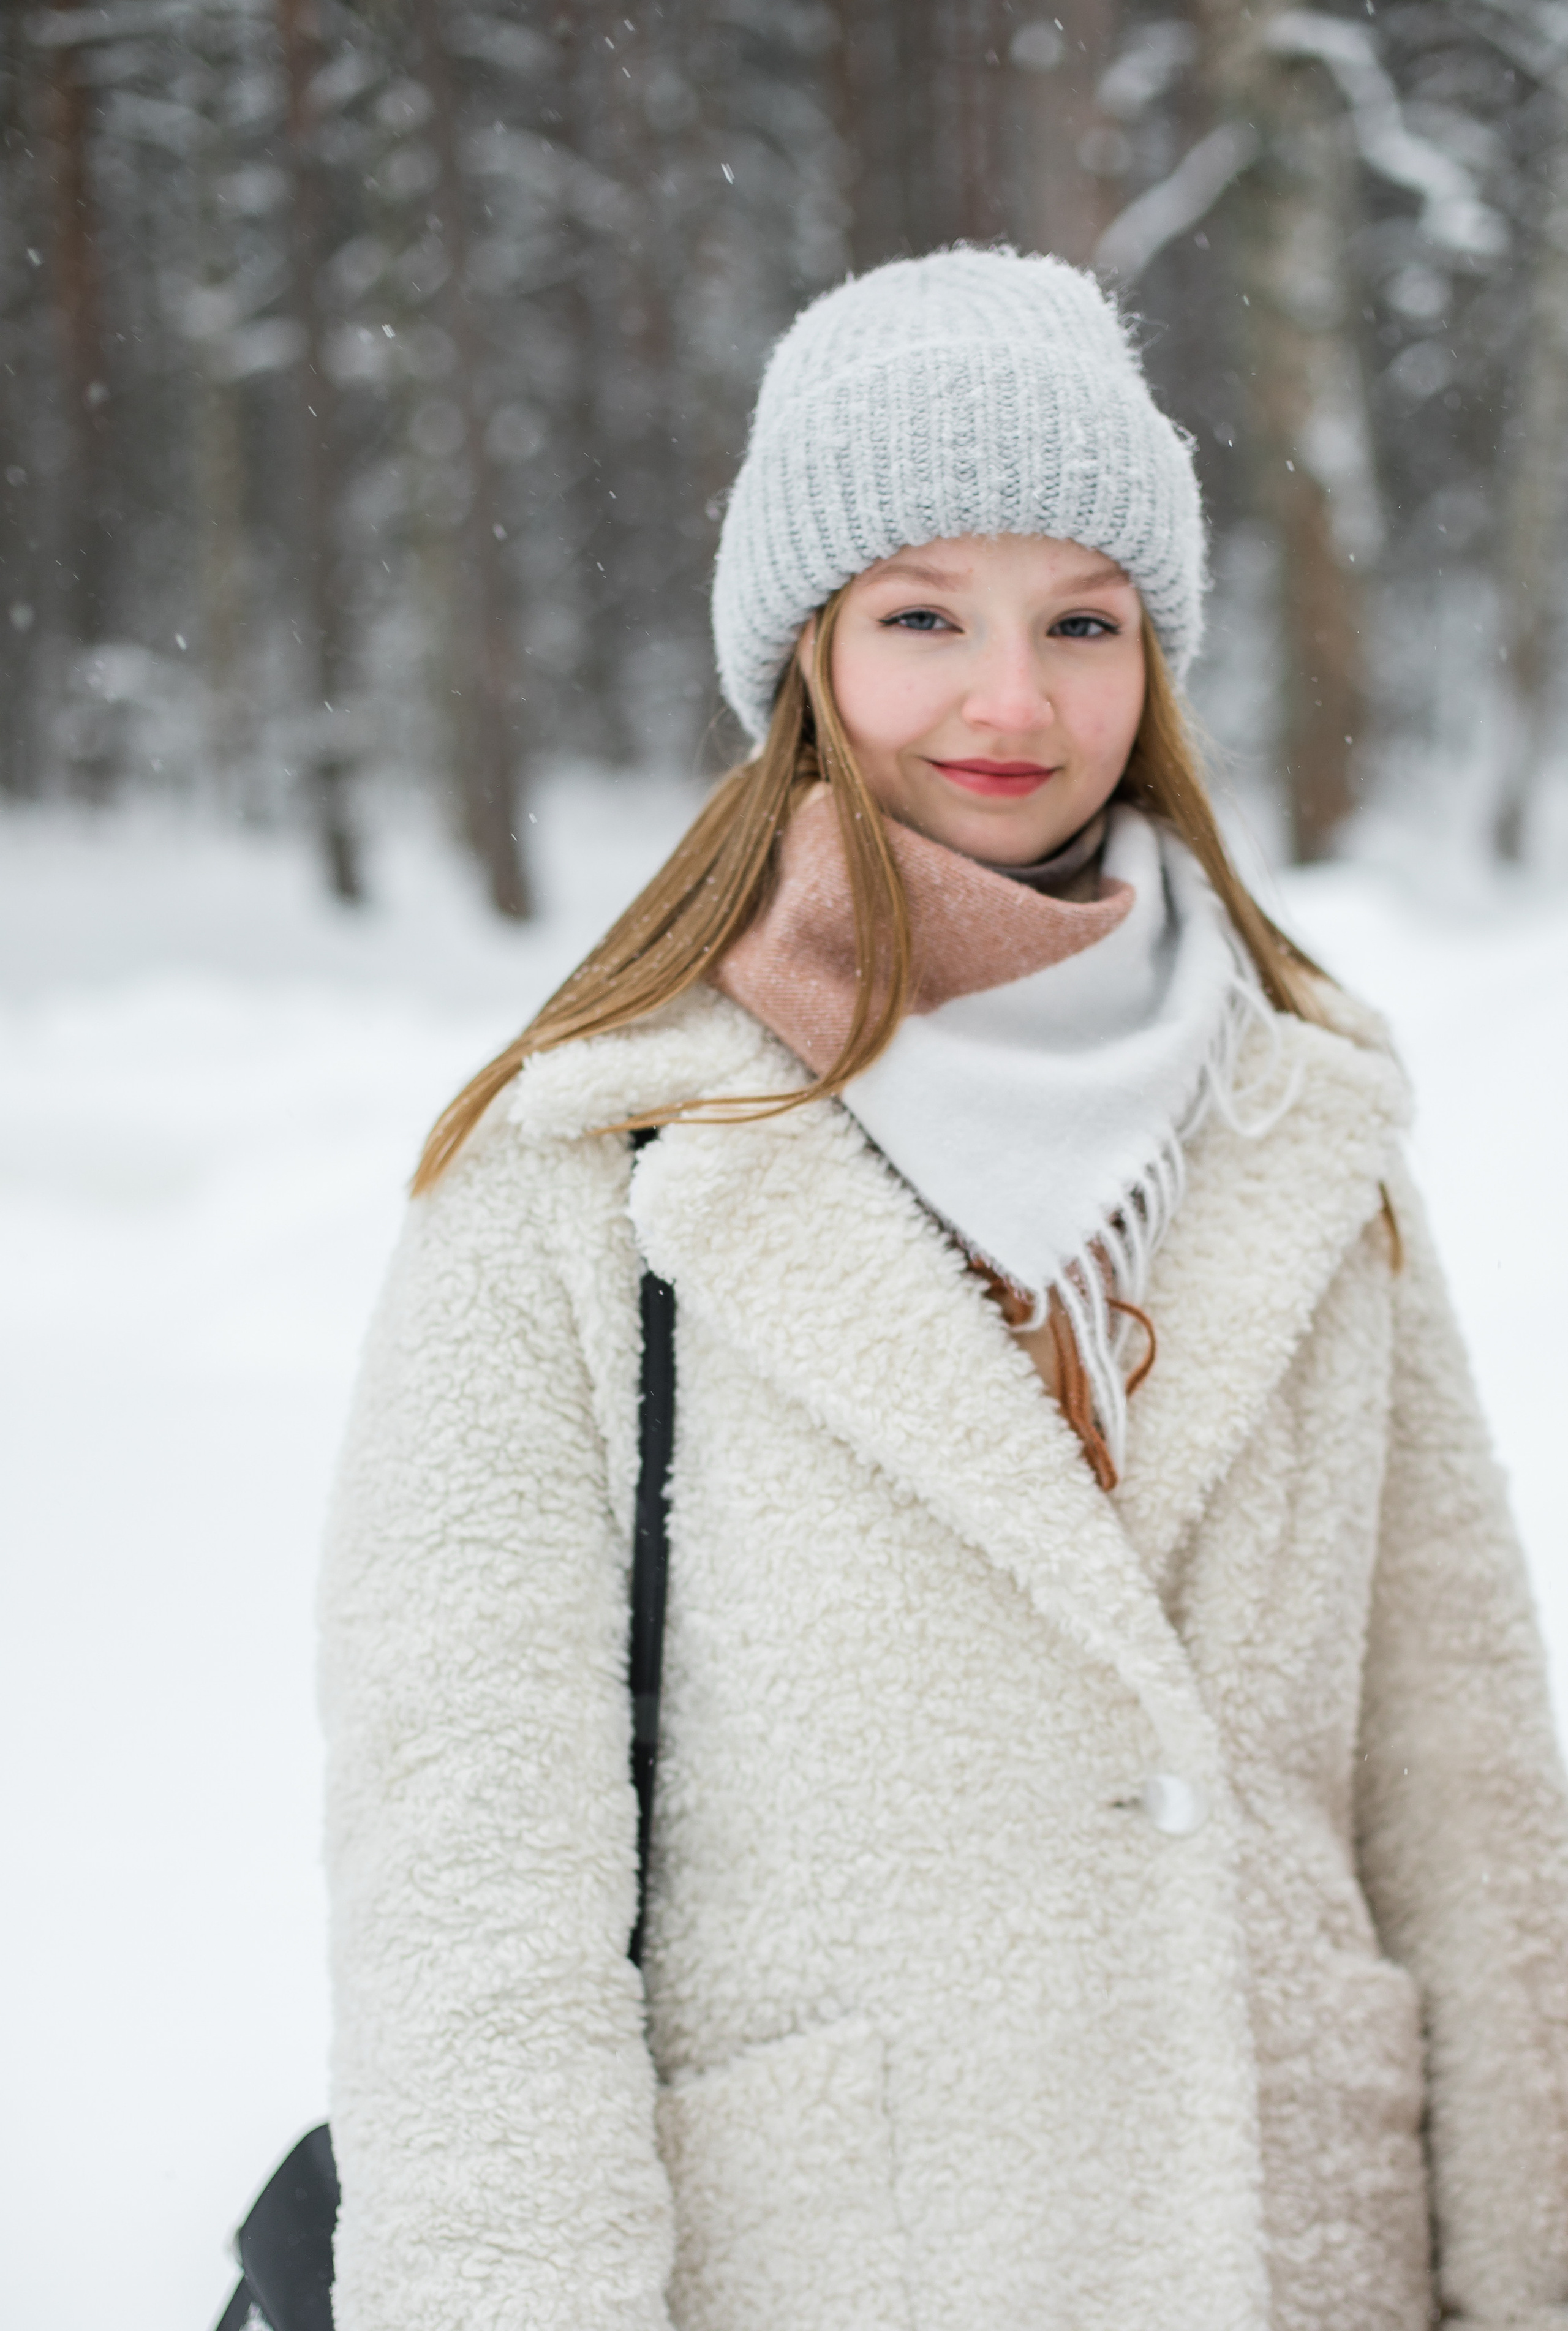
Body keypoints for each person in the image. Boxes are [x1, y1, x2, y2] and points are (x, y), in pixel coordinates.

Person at [318, 249, 1568, 2331]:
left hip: (1313, 2254)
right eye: (925, 618)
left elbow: (1467, 1782)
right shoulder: (590, 1167)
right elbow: (472, 1899)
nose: (1015, 702)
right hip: (849, 2263)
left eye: (1082, 621)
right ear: (806, 655)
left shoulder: (1304, 1120)